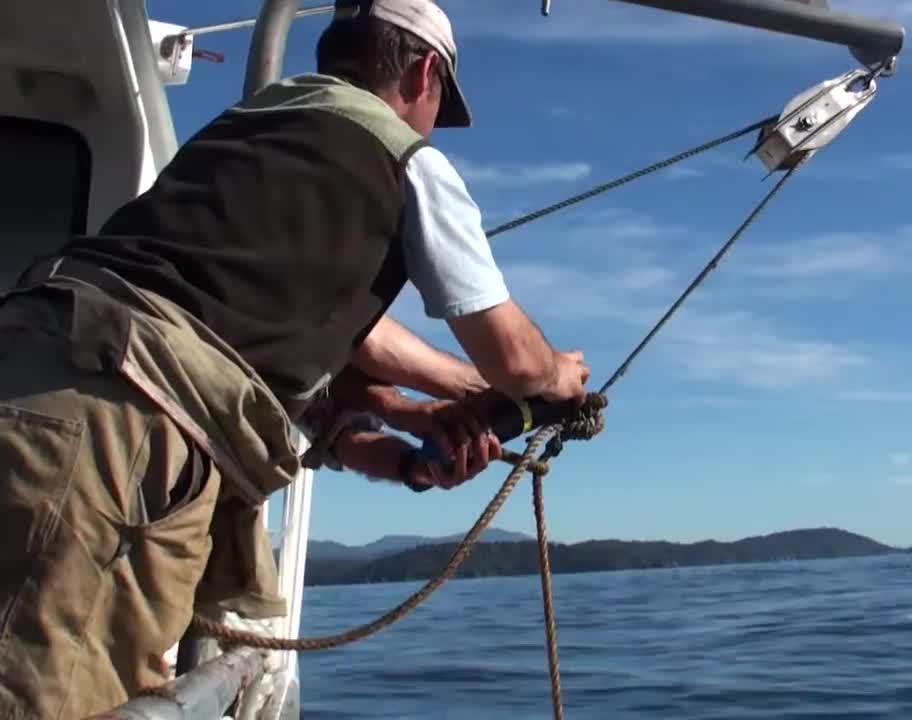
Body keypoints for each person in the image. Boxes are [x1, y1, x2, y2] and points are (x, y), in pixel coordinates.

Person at [0, 0, 589, 717]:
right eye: (440, 102)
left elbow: (325, 359)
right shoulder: (403, 157)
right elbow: (513, 361)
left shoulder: (244, 136)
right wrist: (559, 375)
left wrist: (409, 438)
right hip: (106, 424)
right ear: (425, 71)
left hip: (46, 375)